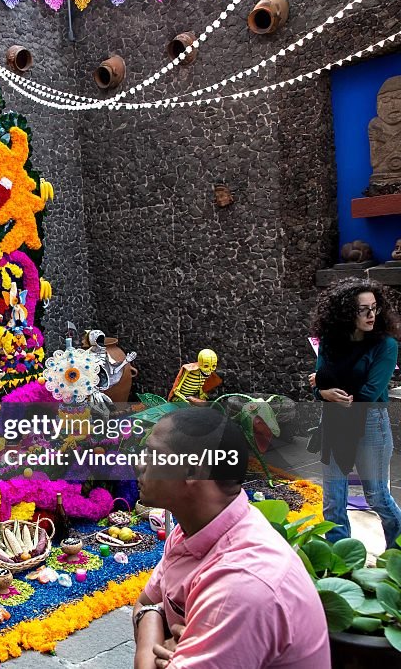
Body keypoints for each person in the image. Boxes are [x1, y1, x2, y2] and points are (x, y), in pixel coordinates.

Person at [132, 407, 330, 669]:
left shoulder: (243, 583)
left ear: (192, 472)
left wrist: (150, 622)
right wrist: (152, 616)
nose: (139, 464)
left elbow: (146, 609)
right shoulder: (193, 530)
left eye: (152, 455)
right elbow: (144, 603)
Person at [310, 277, 401, 546]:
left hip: (370, 422)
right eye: (363, 309)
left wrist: (323, 382)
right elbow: (322, 386)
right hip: (335, 421)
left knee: (376, 496)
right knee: (334, 499)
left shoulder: (385, 346)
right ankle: (339, 560)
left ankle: (396, 553)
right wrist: (322, 391)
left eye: (375, 307)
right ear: (346, 312)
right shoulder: (329, 341)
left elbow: (367, 394)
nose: (372, 315)